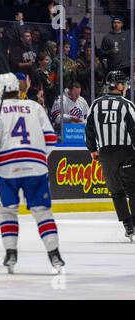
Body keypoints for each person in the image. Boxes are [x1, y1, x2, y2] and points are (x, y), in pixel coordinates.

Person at [0, 72, 65, 274]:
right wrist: (38, 159)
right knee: (42, 212)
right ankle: (54, 254)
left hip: (7, 168)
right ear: (18, 88)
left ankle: (11, 253)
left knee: (8, 211)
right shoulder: (35, 107)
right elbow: (51, 139)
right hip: (36, 168)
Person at [85, 71, 135, 241]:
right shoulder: (127, 105)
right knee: (133, 190)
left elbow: (89, 129)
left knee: (117, 192)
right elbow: (134, 130)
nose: (126, 87)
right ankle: (133, 223)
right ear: (119, 86)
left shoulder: (95, 104)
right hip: (127, 152)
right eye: (125, 84)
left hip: (105, 154)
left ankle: (128, 226)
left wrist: (92, 149)